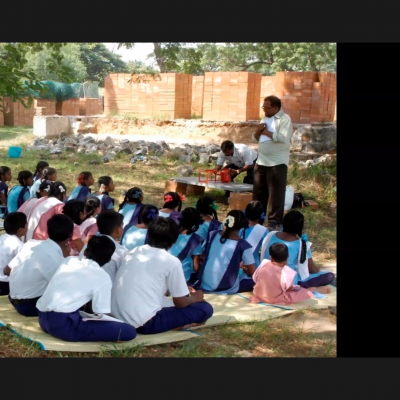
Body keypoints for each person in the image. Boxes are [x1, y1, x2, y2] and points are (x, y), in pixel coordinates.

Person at [111, 216, 214, 334]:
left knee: (166, 302)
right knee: (205, 308)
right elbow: (180, 303)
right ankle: (182, 323)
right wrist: (196, 297)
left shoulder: (135, 252)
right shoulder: (172, 261)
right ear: (175, 240)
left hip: (117, 316)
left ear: (148, 234)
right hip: (145, 324)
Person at [36, 236, 136, 343]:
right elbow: (101, 313)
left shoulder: (69, 261)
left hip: (42, 319)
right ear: (109, 259)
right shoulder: (102, 276)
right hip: (63, 326)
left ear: (85, 252)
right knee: (128, 331)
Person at [5, 214, 73, 317]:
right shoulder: (54, 258)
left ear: (48, 231)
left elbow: (7, 270)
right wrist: (66, 259)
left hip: (13, 298)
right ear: (69, 237)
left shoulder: (31, 244)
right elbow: (64, 286)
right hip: (29, 306)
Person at [260, 210, 335, 288]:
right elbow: (311, 269)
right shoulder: (301, 244)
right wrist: (318, 270)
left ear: (284, 223)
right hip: (288, 282)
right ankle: (302, 286)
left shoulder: (270, 235)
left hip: (266, 276)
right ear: (300, 227)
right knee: (329, 276)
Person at [252, 95, 294, 230]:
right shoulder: (265, 118)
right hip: (261, 161)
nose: (264, 109)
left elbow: (282, 138)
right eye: (263, 107)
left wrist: (267, 132)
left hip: (277, 163)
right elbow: (255, 138)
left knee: (276, 194)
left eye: (267, 107)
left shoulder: (285, 119)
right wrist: (259, 131)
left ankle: (274, 222)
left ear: (276, 108)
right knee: (259, 193)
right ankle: (257, 218)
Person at [195, 210, 256, 294]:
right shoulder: (243, 245)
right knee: (254, 281)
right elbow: (253, 273)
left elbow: (205, 254)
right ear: (243, 225)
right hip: (224, 287)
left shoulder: (213, 234)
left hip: (204, 283)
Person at [250, 243, 330, 306]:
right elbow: (288, 289)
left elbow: (255, 278)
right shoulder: (287, 272)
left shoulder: (264, 263)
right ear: (288, 256)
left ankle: (311, 290)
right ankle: (312, 290)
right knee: (300, 292)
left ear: (271, 257)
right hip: (273, 299)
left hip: (258, 294)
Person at [79, 210, 127, 282]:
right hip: (108, 289)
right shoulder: (122, 252)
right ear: (117, 229)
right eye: (122, 225)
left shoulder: (87, 245)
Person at [168, 207, 204, 282]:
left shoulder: (170, 232)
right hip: (182, 278)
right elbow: (196, 267)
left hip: (165, 273)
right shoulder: (195, 239)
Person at [0, 212, 27, 296]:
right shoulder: (19, 246)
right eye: (26, 225)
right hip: (7, 282)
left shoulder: (2, 238)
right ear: (20, 230)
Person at [239, 201, 269, 268]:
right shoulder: (263, 231)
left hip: (239, 265)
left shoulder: (241, 228)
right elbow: (266, 250)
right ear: (260, 215)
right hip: (254, 265)